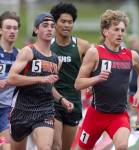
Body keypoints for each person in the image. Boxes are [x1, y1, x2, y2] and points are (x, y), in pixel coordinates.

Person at [74, 9, 139, 150]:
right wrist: (96, 79)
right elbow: (78, 84)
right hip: (96, 115)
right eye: (116, 29)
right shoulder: (95, 53)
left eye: (122, 30)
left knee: (122, 146)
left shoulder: (131, 55)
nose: (120, 33)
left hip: (119, 115)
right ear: (106, 32)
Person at [7, 12, 74, 150]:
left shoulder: (56, 60)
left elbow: (49, 86)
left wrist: (61, 99)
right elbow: (11, 78)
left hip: (45, 109)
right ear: (36, 30)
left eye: (52, 26)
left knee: (45, 147)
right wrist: (40, 78)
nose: (50, 29)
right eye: (45, 26)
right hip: (22, 109)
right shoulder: (28, 51)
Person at [50, 2, 91, 150]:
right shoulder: (48, 45)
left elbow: (95, 65)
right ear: (55, 23)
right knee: (56, 146)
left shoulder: (82, 46)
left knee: (65, 148)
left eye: (70, 22)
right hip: (52, 102)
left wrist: (91, 83)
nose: (67, 25)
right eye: (63, 21)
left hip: (74, 103)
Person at [0, 11, 20, 150]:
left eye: (15, 28)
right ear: (0, 30)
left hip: (6, 109)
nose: (12, 31)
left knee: (6, 146)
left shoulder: (20, 55)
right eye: (8, 27)